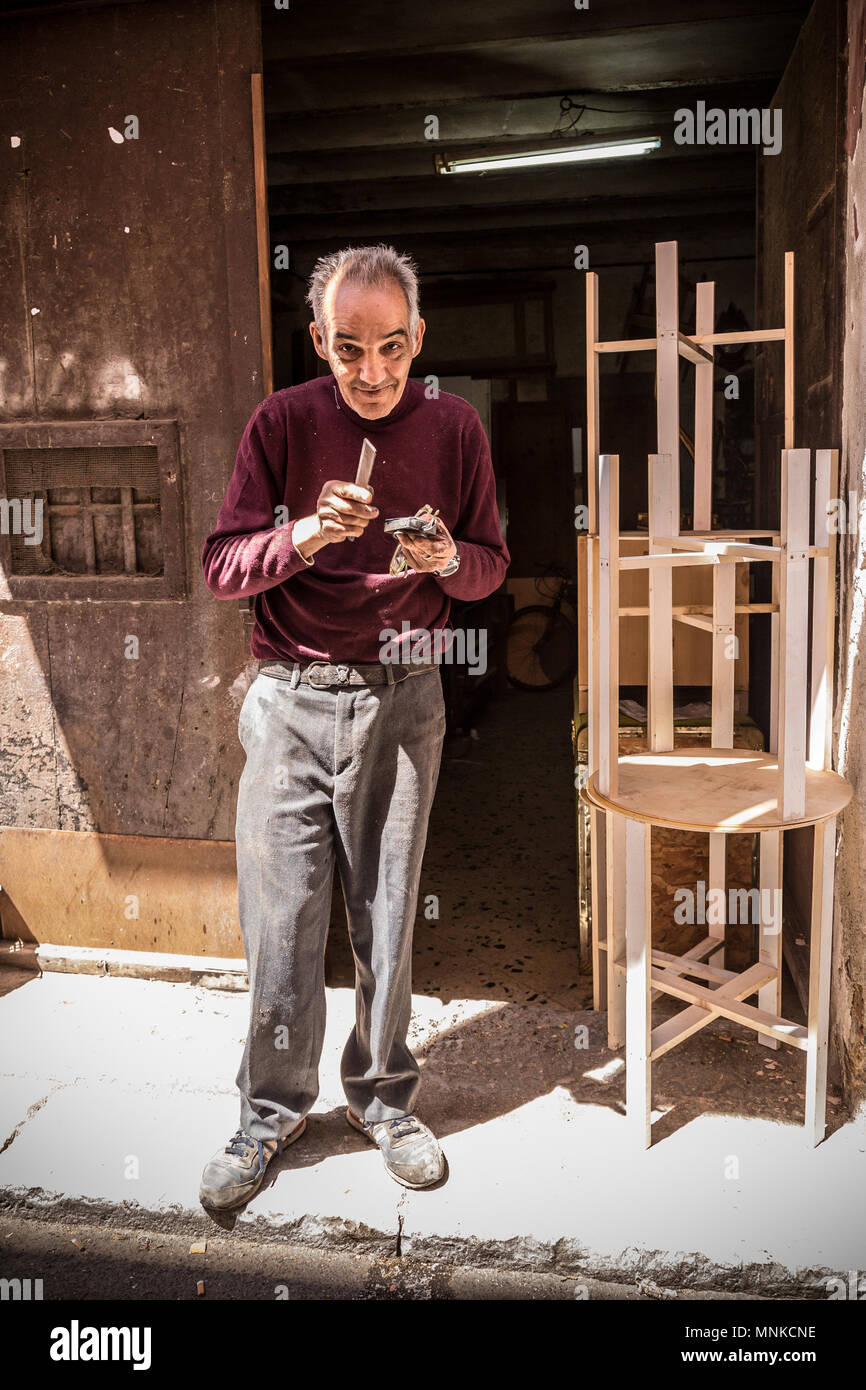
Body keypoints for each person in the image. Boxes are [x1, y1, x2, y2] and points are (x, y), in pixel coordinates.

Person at [198, 244, 510, 1210]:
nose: (372, 374)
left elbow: (492, 569)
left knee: (385, 913)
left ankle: (382, 1097)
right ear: (319, 344)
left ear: (419, 338)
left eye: (390, 349)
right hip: (289, 698)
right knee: (281, 919)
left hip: (406, 694)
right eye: (347, 350)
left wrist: (448, 556)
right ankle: (270, 1113)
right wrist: (304, 536)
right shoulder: (283, 422)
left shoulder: (455, 429)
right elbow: (222, 568)